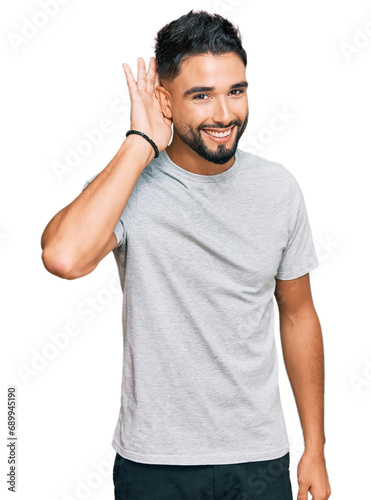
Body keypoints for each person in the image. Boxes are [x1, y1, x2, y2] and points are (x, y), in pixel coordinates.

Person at [40, 9, 331, 500]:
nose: (224, 114)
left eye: (235, 91)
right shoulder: (127, 188)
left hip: (259, 458)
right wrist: (141, 143)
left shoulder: (278, 189)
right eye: (201, 96)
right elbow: (64, 257)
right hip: (155, 464)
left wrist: (315, 448)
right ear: (165, 100)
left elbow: (299, 315)